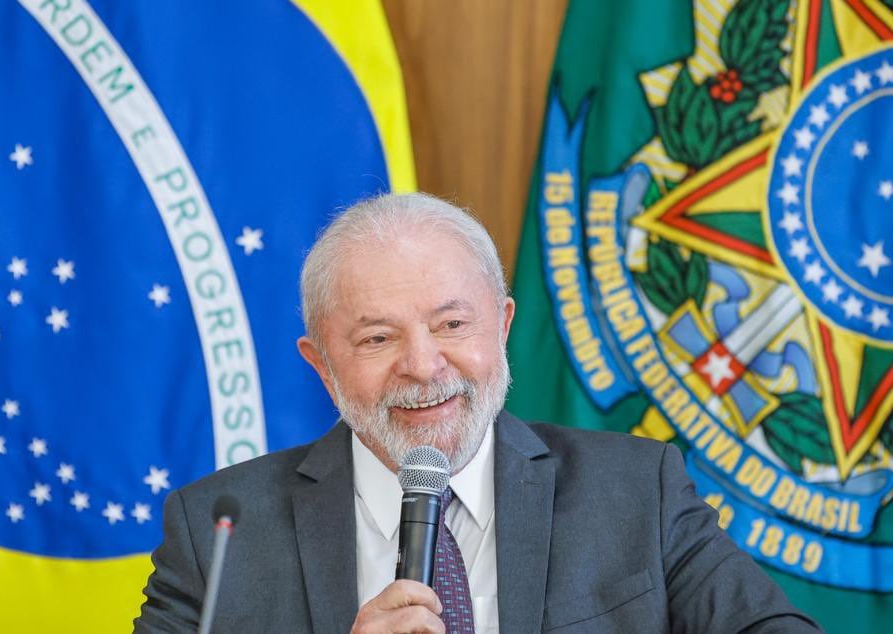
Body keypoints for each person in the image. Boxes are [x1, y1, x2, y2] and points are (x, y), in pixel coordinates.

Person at [135, 192, 819, 633]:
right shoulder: (218, 532)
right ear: (321, 363)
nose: (424, 365)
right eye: (378, 338)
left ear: (502, 324)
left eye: (452, 325)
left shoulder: (640, 490)